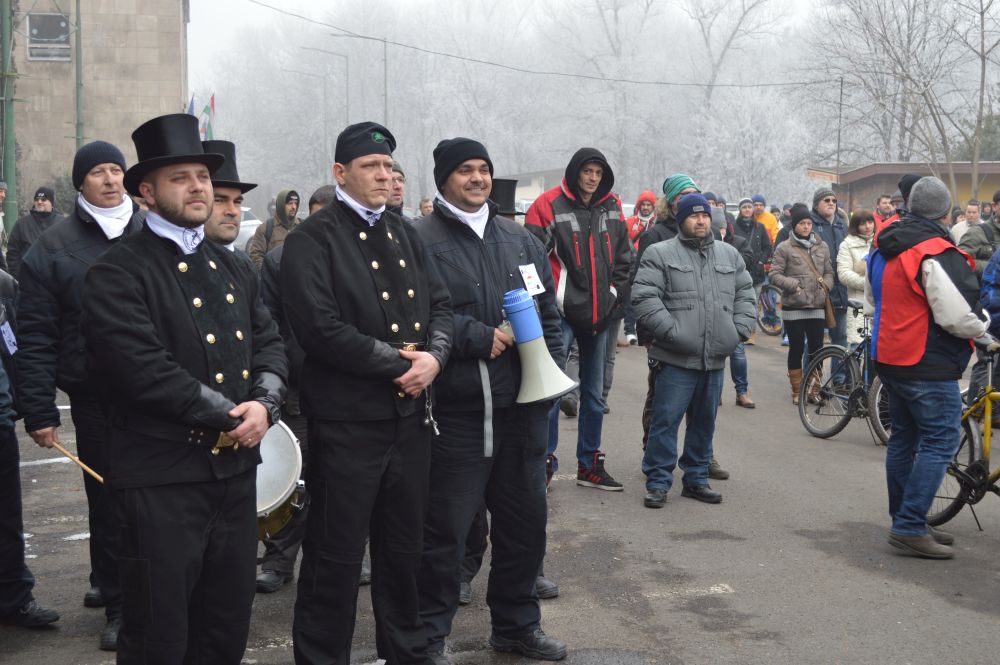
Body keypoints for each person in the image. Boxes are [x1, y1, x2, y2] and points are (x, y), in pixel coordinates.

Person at [82, 113, 287, 663]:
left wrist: (266, 402)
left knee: (224, 629)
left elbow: (269, 343)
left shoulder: (233, 267)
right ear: (146, 193)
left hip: (234, 476)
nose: (198, 187)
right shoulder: (118, 271)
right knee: (160, 637)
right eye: (180, 178)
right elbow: (143, 369)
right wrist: (231, 414)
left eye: (202, 176)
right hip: (161, 479)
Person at [281, 121, 452, 665]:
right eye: (370, 167)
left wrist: (435, 357)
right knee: (334, 555)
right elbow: (318, 329)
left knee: (404, 551)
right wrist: (398, 364)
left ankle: (406, 651)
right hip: (347, 423)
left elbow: (442, 307)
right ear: (340, 173)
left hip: (410, 419)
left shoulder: (406, 233)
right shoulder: (313, 238)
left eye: (388, 167)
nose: (383, 175)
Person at [414, 138, 566, 664]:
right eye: (465, 170)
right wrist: (476, 336)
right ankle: (428, 638)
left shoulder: (520, 239)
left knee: (525, 527)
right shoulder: (418, 239)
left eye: (483, 169)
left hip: (523, 412)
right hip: (458, 412)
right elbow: (414, 319)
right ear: (443, 179)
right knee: (445, 533)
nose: (477, 178)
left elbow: (548, 315)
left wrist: (552, 374)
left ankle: (517, 627)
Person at [16, 140, 145, 650]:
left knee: (155, 498)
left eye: (116, 170)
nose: (110, 180)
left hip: (159, 394)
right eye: (98, 173)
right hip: (95, 397)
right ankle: (119, 604)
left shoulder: (152, 230)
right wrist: (39, 409)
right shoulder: (52, 248)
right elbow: (36, 335)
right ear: (80, 183)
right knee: (109, 499)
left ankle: (145, 588)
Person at [868, 176, 990, 559]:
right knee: (941, 440)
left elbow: (873, 298)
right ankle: (909, 525)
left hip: (888, 355)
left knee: (904, 440)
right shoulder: (934, 250)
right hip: (924, 359)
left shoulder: (883, 245)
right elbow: (956, 315)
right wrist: (985, 331)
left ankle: (907, 518)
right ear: (945, 213)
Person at [632, 193, 755, 508]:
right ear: (681, 219)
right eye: (693, 216)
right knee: (665, 421)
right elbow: (644, 296)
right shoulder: (660, 253)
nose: (701, 221)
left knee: (704, 423)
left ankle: (697, 479)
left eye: (705, 216)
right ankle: (658, 481)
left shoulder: (729, 255)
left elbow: (745, 294)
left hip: (714, 358)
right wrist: (671, 332)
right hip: (674, 358)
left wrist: (738, 331)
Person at [525, 147, 630, 491]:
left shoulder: (612, 205)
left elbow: (624, 257)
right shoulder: (548, 204)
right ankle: (544, 461)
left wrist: (614, 295)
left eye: (598, 173)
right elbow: (529, 259)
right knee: (552, 393)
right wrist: (546, 304)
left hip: (600, 314)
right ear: (575, 172)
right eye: (587, 171)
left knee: (594, 395)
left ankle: (590, 465)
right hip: (561, 315)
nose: (593, 178)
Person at [0, 267, 59, 629]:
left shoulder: (5, 286)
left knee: (7, 519)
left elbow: (18, 347)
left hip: (1, 420)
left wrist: (30, 407)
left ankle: (14, 598)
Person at [769, 205, 833, 404]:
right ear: (795, 225)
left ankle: (813, 390)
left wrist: (825, 287)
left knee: (817, 349)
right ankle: (797, 391)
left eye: (808, 223)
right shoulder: (784, 247)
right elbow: (774, 274)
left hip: (817, 305)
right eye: (802, 223)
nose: (806, 227)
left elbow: (829, 272)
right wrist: (793, 285)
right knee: (796, 348)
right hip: (794, 306)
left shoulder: (822, 246)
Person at [729, 197, 772, 406]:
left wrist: (761, 261)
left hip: (754, 274)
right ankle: (714, 394)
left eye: (749, 207)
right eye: (744, 207)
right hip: (731, 284)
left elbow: (767, 246)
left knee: (752, 304)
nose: (747, 209)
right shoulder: (733, 229)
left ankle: (750, 331)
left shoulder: (760, 227)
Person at [201, 139, 256, 258]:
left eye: (237, 202)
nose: (233, 211)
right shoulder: (176, 261)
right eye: (219, 200)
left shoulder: (245, 264)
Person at [809, 187, 848, 349]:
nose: (831, 203)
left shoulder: (842, 225)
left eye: (834, 201)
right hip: (818, 290)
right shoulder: (808, 225)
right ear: (816, 204)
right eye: (826, 200)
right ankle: (812, 367)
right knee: (814, 340)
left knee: (841, 338)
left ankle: (839, 368)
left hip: (840, 291)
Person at [7, 186, 66, 278]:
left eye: (43, 199)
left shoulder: (63, 223)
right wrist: (19, 275)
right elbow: (13, 252)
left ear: (51, 202)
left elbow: (71, 251)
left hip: (56, 280)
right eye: (37, 199)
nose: (39, 202)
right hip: (28, 279)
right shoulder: (21, 224)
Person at [837, 209, 875, 350]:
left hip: (878, 303)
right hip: (857, 302)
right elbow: (844, 274)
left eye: (870, 222)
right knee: (857, 347)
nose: (868, 226)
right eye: (863, 223)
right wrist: (870, 283)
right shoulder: (847, 245)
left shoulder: (879, 242)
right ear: (855, 226)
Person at [623, 191, 657, 345]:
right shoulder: (630, 222)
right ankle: (630, 330)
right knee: (630, 298)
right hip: (632, 265)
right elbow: (624, 242)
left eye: (648, 204)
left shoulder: (657, 223)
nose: (645, 207)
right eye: (643, 204)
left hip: (650, 265)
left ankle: (645, 330)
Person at [248, 188, 299, 270]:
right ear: (281, 205)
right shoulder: (265, 229)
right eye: (290, 203)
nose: (294, 207)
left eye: (295, 203)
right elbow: (256, 256)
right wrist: (269, 274)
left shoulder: (302, 226)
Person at [958, 199, 997, 279]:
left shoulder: (987, 228)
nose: (971, 215)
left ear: (979, 213)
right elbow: (961, 257)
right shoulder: (956, 228)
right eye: (969, 212)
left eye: (974, 212)